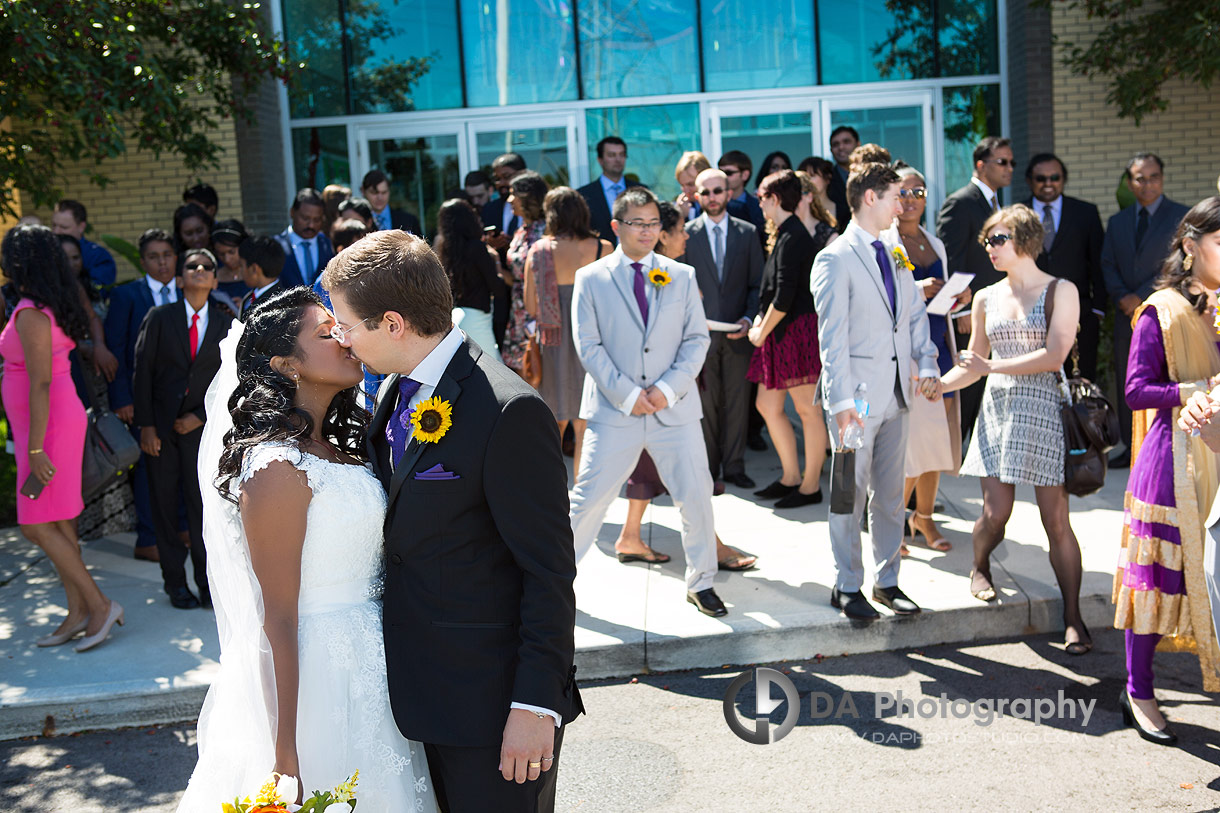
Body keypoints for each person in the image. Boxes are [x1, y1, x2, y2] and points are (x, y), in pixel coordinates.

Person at [323, 231, 581, 812]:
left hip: (491, 707)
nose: (340, 337)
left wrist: (535, 706)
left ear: (393, 324)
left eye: (345, 324)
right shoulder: (391, 388)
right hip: (414, 695)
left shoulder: (509, 412)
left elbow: (548, 573)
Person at [177, 287, 439, 810]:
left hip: (379, 669)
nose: (344, 338)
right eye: (326, 333)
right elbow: (276, 618)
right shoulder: (275, 468)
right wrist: (285, 753)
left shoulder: (345, 449)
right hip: (319, 681)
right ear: (285, 363)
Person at [568, 186, 729, 615]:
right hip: (613, 409)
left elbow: (697, 339)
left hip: (673, 408)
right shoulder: (592, 277)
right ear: (617, 226)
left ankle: (702, 581)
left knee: (695, 495)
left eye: (654, 223)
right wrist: (628, 394)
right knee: (588, 500)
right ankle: (554, 585)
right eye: (638, 223)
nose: (648, 231)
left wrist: (666, 389)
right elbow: (588, 344)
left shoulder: (681, 275)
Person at [941, 204, 1090, 653]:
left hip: (1045, 409)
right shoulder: (986, 297)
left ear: (1025, 241)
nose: (989, 247)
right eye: (987, 240)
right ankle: (980, 564)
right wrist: (938, 385)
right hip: (999, 411)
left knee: (1056, 521)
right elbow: (973, 365)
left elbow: (1054, 355)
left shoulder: (1061, 290)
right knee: (995, 514)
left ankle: (1073, 617)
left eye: (998, 239)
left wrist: (989, 366)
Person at [812, 162, 942, 621]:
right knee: (848, 494)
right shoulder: (834, 258)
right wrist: (842, 405)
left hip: (897, 399)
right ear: (870, 198)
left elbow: (912, 318)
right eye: (895, 196)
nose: (902, 205)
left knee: (889, 497)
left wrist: (927, 363)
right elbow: (832, 339)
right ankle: (847, 586)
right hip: (854, 404)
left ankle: (887, 583)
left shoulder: (896, 251)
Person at [1118, 198, 1220, 744]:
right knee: (1160, 580)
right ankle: (1137, 689)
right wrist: (1194, 392)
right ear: (1190, 245)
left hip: (1219, 454)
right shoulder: (1162, 310)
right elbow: (1136, 391)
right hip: (1173, 462)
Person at [608, 200, 758, 572]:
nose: (684, 237)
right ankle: (711, 546)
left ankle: (631, 536)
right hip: (660, 390)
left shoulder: (674, 275)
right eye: (678, 231)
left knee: (659, 467)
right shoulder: (653, 278)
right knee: (689, 472)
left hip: (668, 388)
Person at [0, 224, 122, 651]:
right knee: (57, 519)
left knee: (34, 524)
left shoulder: (32, 313)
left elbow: (40, 384)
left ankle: (101, 605)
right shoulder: (51, 303)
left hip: (46, 429)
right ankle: (79, 612)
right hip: (52, 423)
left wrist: (34, 449)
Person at [134, 248, 234, 609]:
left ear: (215, 279)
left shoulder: (225, 323)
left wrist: (201, 419)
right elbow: (142, 372)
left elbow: (230, 384)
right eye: (192, 266)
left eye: (207, 267)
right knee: (162, 506)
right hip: (159, 430)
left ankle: (208, 586)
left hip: (200, 432)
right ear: (180, 278)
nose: (200, 270)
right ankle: (175, 583)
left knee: (201, 508)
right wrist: (146, 426)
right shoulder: (160, 317)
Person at [884, 165, 969, 554]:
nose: (911, 200)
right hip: (905, 355)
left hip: (939, 348)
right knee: (909, 444)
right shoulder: (883, 242)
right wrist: (916, 289)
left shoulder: (935, 242)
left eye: (918, 192)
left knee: (936, 442)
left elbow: (939, 306)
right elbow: (882, 301)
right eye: (903, 192)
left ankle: (925, 518)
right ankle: (893, 520)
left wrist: (958, 300)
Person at [1102, 153, 1191, 468]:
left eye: (1154, 177)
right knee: (1131, 377)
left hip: (1166, 314)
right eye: (1140, 178)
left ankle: (1163, 444)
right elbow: (1107, 264)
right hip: (1127, 317)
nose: (1147, 183)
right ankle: (1130, 447)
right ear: (1130, 182)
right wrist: (1122, 297)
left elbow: (1178, 265)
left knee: (1163, 379)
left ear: (1162, 179)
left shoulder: (1183, 216)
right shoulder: (1117, 222)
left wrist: (1140, 295)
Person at [747, 170, 828, 509]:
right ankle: (791, 477)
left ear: (775, 199)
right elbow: (773, 296)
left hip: (796, 332)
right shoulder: (784, 234)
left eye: (763, 196)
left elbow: (785, 297)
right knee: (767, 405)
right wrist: (760, 324)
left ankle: (810, 486)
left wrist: (759, 331)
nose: (759, 201)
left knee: (809, 412)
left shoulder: (794, 236)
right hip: (778, 332)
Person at [524, 187, 611, 479]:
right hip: (594, 340)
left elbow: (531, 306)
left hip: (554, 343)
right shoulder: (604, 249)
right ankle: (584, 488)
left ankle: (555, 492)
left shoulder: (538, 250)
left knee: (555, 422)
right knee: (586, 422)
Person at [104, 228, 180, 562]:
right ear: (142, 260)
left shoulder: (187, 289)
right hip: (143, 399)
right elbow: (116, 350)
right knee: (150, 472)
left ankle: (180, 529)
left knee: (180, 468)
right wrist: (122, 398)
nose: (162, 262)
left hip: (182, 398)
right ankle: (148, 538)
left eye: (167, 255)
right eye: (153, 256)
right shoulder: (127, 296)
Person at [686, 168, 764, 489]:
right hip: (698, 336)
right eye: (705, 192)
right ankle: (709, 470)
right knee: (705, 406)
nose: (712, 197)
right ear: (696, 196)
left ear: (728, 193)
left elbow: (757, 284)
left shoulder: (747, 233)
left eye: (718, 191)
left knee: (736, 403)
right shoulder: (686, 234)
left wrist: (748, 319)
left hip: (737, 333)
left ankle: (734, 466)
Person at [937, 135, 1015, 446]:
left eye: (1012, 162)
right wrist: (963, 310)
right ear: (981, 166)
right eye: (1003, 162)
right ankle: (955, 450)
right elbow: (951, 258)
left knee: (989, 382)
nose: (1009, 168)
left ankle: (982, 443)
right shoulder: (961, 202)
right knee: (969, 386)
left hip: (998, 307)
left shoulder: (997, 203)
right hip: (971, 312)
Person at [1022, 153, 1106, 382]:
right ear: (1030, 181)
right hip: (1030, 312)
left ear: (1063, 179)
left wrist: (1098, 309)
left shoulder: (1085, 213)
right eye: (1041, 178)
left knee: (1080, 379)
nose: (1048, 184)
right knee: (1037, 379)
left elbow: (1098, 261)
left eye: (1055, 177)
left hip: (1081, 313)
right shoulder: (1018, 214)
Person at [435, 198, 503, 361]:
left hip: (457, 317)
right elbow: (497, 287)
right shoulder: (476, 247)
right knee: (495, 375)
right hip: (478, 319)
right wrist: (497, 261)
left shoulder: (446, 250)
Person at [501, 171, 550, 375]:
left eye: (514, 194)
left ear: (529, 198)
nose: (510, 199)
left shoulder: (547, 230)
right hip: (518, 314)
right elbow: (518, 277)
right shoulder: (521, 230)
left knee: (540, 372)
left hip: (539, 314)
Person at [578, 136, 641, 247]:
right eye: (612, 155)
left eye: (621, 155)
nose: (618, 159)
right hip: (600, 259)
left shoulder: (640, 191)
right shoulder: (583, 195)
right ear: (600, 160)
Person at [275, 189, 335, 289]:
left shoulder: (328, 244)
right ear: (292, 212)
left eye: (317, 220)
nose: (311, 225)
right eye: (305, 218)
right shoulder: (277, 246)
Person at [50, 199, 117, 286]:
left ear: (81, 227)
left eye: (64, 227)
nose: (56, 232)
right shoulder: (45, 250)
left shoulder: (98, 256)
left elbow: (97, 292)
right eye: (54, 225)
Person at [483, 152, 527, 246]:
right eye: (497, 179)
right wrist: (490, 243)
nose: (501, 183)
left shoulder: (538, 207)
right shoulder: (489, 209)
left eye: (507, 177)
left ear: (523, 174)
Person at [237, 235, 287, 319]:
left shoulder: (280, 304)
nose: (240, 271)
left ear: (254, 269)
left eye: (241, 266)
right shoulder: (249, 297)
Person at [361, 169, 423, 236]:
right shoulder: (359, 221)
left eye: (384, 192)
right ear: (363, 192)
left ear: (389, 191)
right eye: (374, 193)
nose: (380, 197)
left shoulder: (409, 220)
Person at [718, 150, 765, 234]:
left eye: (728, 173)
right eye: (720, 172)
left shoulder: (759, 206)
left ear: (745, 175)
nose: (723, 176)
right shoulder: (714, 204)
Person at [211, 219, 251, 314]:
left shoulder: (256, 273)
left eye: (231, 252)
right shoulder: (212, 277)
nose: (227, 259)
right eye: (221, 254)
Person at [827, 125, 859, 231]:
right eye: (836, 144)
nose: (841, 147)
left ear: (858, 144)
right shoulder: (827, 182)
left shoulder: (872, 176)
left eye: (846, 142)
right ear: (831, 150)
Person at [798, 157, 839, 232]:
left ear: (827, 178)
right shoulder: (799, 211)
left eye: (812, 176)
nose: (808, 181)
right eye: (805, 177)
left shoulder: (842, 210)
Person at [674, 150, 711, 221]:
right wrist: (680, 216)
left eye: (691, 184)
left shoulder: (723, 205)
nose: (686, 190)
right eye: (682, 185)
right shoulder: (680, 206)